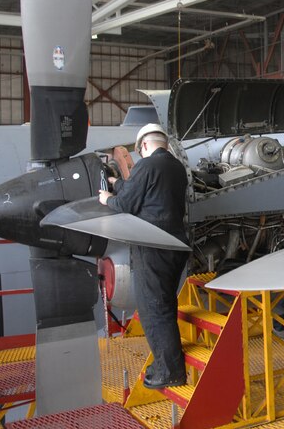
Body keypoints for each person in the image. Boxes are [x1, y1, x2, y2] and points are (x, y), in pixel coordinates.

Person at [98, 123, 191, 389]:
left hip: (153, 247)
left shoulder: (147, 166)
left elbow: (127, 205)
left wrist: (107, 198)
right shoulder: (175, 167)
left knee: (153, 309)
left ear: (144, 146)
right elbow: (150, 193)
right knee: (164, 304)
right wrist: (120, 183)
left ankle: (169, 371)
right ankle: (167, 362)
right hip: (174, 244)